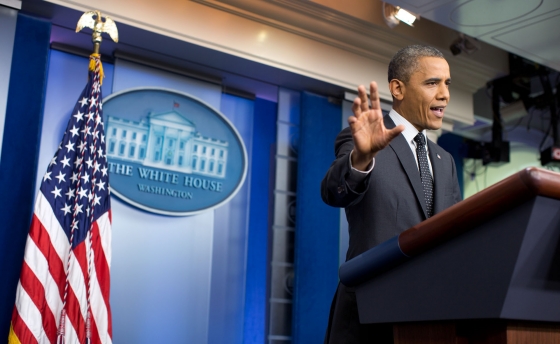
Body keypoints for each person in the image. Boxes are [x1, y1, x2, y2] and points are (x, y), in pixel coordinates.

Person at [321, 45, 462, 343]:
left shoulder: (445, 160)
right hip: (369, 314)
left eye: (447, 83)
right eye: (432, 83)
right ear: (398, 88)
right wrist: (361, 158)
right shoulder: (365, 140)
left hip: (429, 315)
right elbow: (334, 193)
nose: (445, 94)